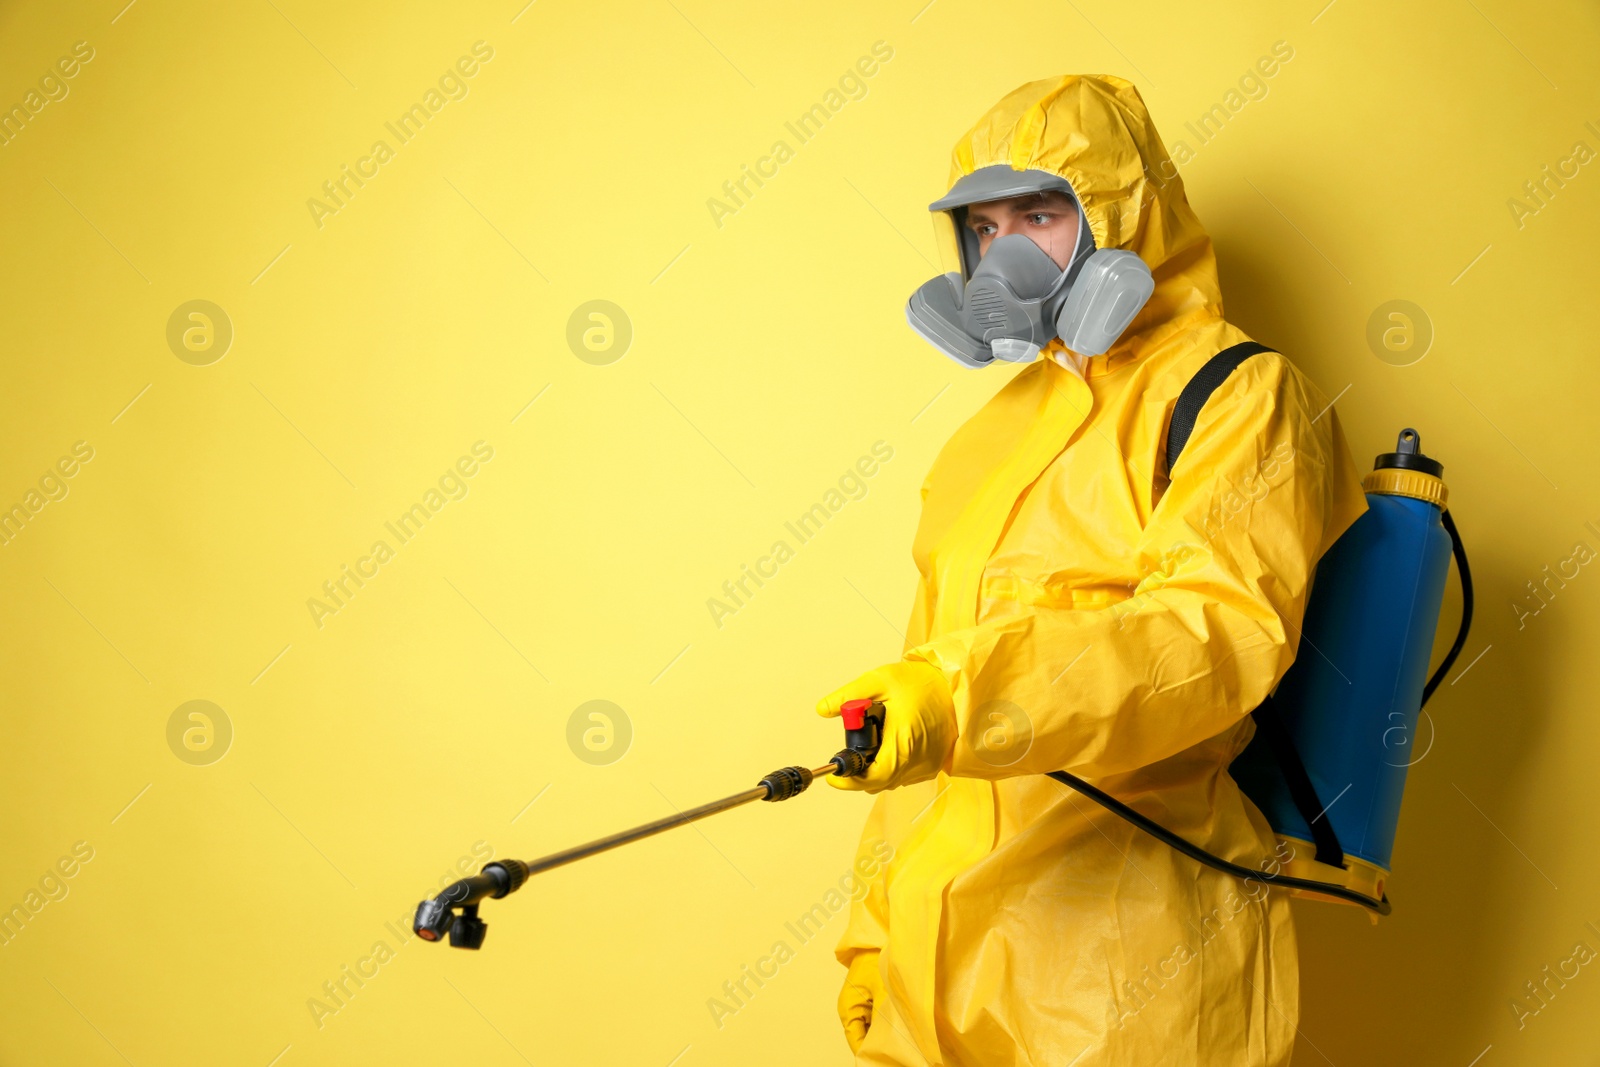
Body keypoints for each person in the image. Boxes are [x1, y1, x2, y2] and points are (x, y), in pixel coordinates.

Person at [815, 74, 1368, 1066]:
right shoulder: (986, 440)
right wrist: (872, 932)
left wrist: (967, 693)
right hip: (939, 962)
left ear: (1128, 213)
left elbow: (1211, 638)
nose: (1005, 255)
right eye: (983, 228)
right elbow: (918, 716)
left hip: (1129, 964)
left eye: (1039, 213)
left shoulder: (1238, 392)